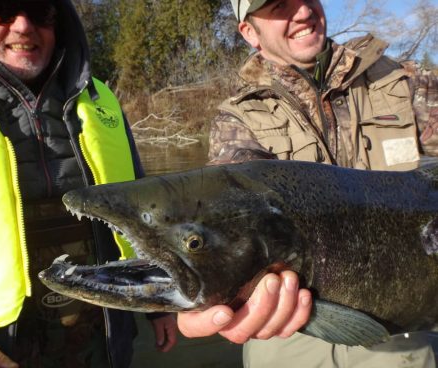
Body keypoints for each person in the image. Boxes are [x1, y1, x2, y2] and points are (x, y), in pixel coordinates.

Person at [180, 0, 438, 367]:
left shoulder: (405, 84)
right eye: (279, 5)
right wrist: (203, 290)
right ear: (249, 32)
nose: (301, 12)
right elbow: (226, 227)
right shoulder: (236, 120)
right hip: (290, 333)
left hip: (405, 332)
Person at [0, 0, 177, 367]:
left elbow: (147, 215)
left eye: (41, 11)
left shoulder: (103, 102)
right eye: (1, 9)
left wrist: (158, 304)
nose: (23, 26)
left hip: (105, 340)